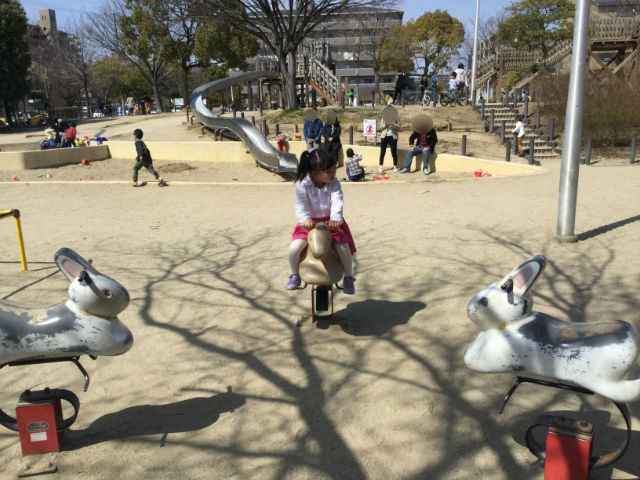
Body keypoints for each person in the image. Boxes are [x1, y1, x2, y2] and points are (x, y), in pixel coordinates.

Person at [285, 149, 356, 294]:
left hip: (330, 222)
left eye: (334, 169)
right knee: (294, 248)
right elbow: (301, 204)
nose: (333, 173)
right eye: (328, 171)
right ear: (315, 173)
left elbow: (337, 200)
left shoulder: (334, 183)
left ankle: (348, 276)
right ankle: (295, 274)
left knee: (343, 246)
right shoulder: (303, 184)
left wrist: (336, 218)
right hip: (309, 224)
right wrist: (305, 219)